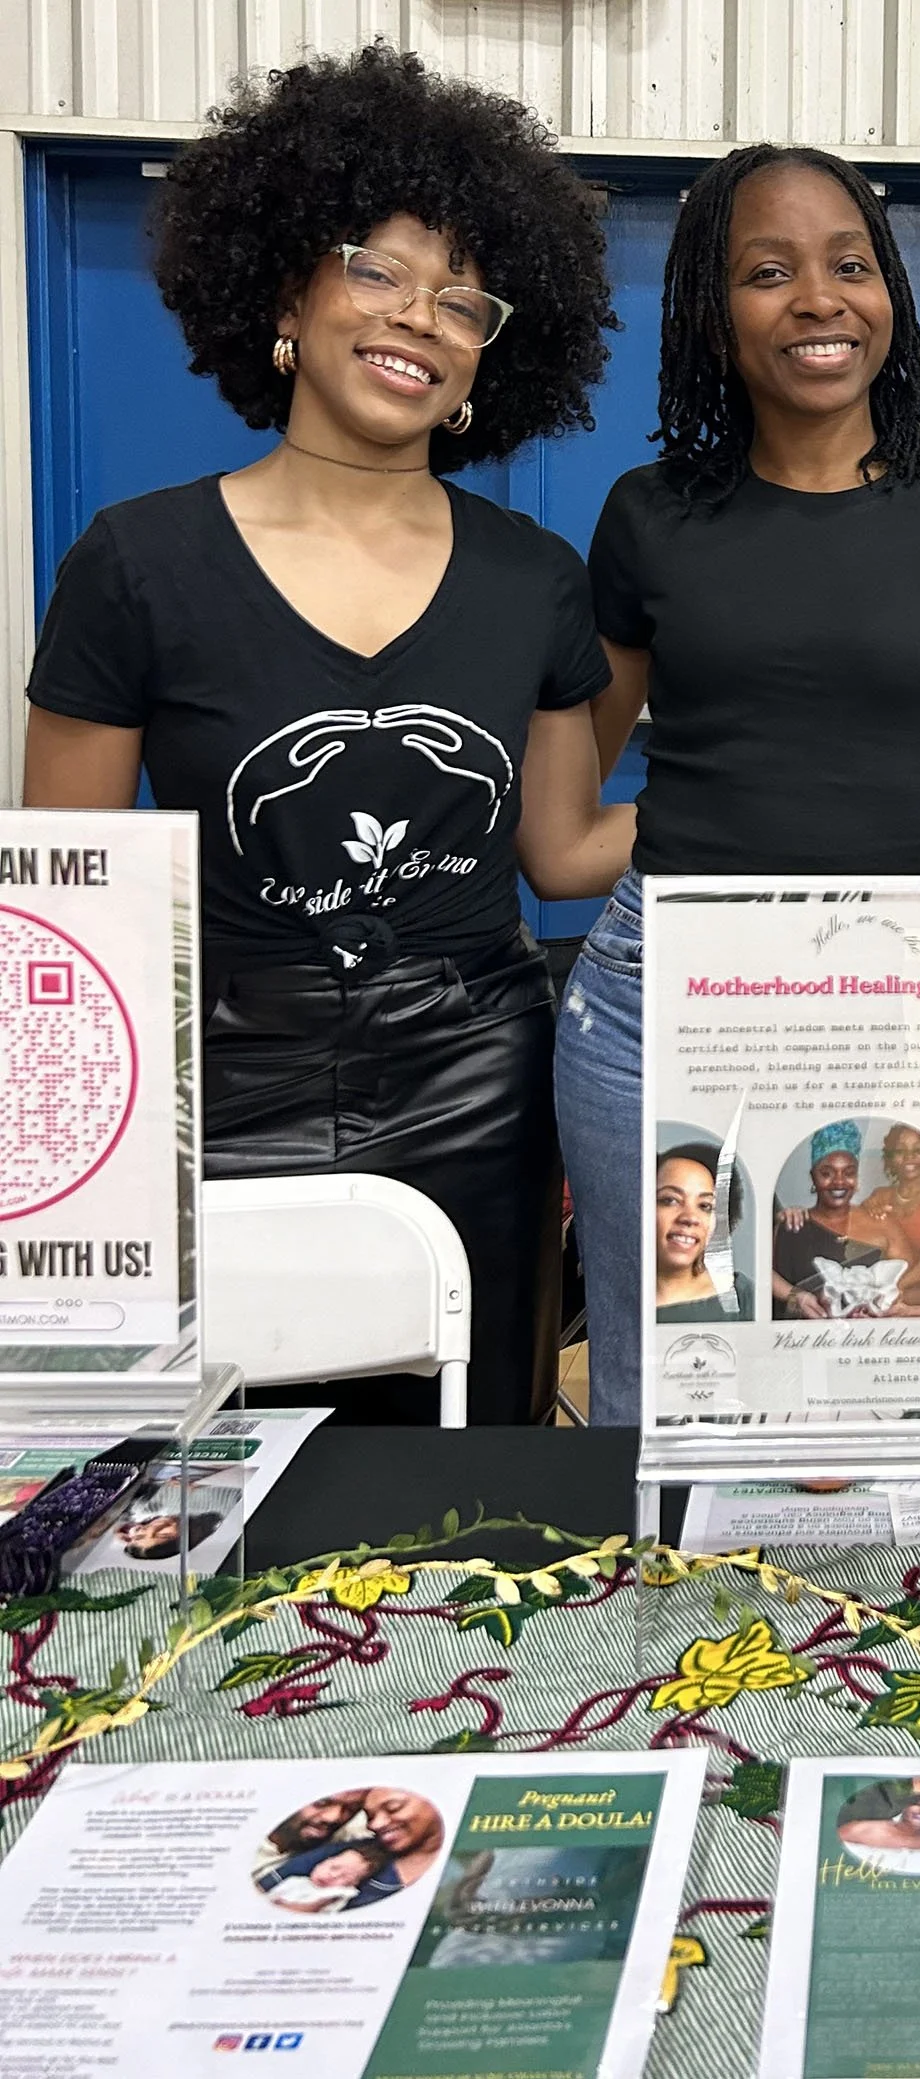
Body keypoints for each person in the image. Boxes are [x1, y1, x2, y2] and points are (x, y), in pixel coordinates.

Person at [22, 47, 628, 1425]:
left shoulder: (534, 577)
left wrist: (775, 788)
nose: (418, 314)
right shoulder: (135, 563)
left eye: (462, 296)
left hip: (479, 1092)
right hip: (214, 1096)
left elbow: (563, 849)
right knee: (215, 1509)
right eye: (377, 267)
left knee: (479, 1499)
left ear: (489, 354)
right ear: (287, 286)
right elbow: (63, 912)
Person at [557, 143, 920, 1422]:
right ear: (714, 321)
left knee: (883, 1381)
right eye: (767, 272)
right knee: (671, 1394)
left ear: (891, 293)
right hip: (667, 1004)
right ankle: (643, 1627)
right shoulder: (647, 516)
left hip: (900, 1000)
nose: (817, 299)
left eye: (849, 265)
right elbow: (564, 826)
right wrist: (706, 833)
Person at [772, 1122, 920, 1319]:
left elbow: (915, 1290)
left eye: (849, 1172)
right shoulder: (794, 1225)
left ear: (856, 1177)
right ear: (813, 1177)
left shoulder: (884, 1224)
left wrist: (886, 1306)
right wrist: (796, 1296)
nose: (838, 1181)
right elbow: (764, 1277)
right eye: (827, 1173)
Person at [858, 1125, 920, 1310]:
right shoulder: (879, 1196)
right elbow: (860, 1240)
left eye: (918, 1150)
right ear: (891, 1158)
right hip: (889, 1289)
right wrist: (866, 1210)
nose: (909, 1157)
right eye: (900, 1151)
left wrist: (896, 1286)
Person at [655, 1142, 756, 1322]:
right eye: (670, 1200)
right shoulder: (612, 1293)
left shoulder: (744, 1298)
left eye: (705, 1206)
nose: (690, 1218)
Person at [263, 1839, 391, 1914]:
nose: (333, 1876)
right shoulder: (296, 1879)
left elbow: (312, 1909)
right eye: (334, 1867)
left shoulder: (339, 1893)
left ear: (353, 1884)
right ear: (321, 1863)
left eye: (344, 1877)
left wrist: (284, 1908)